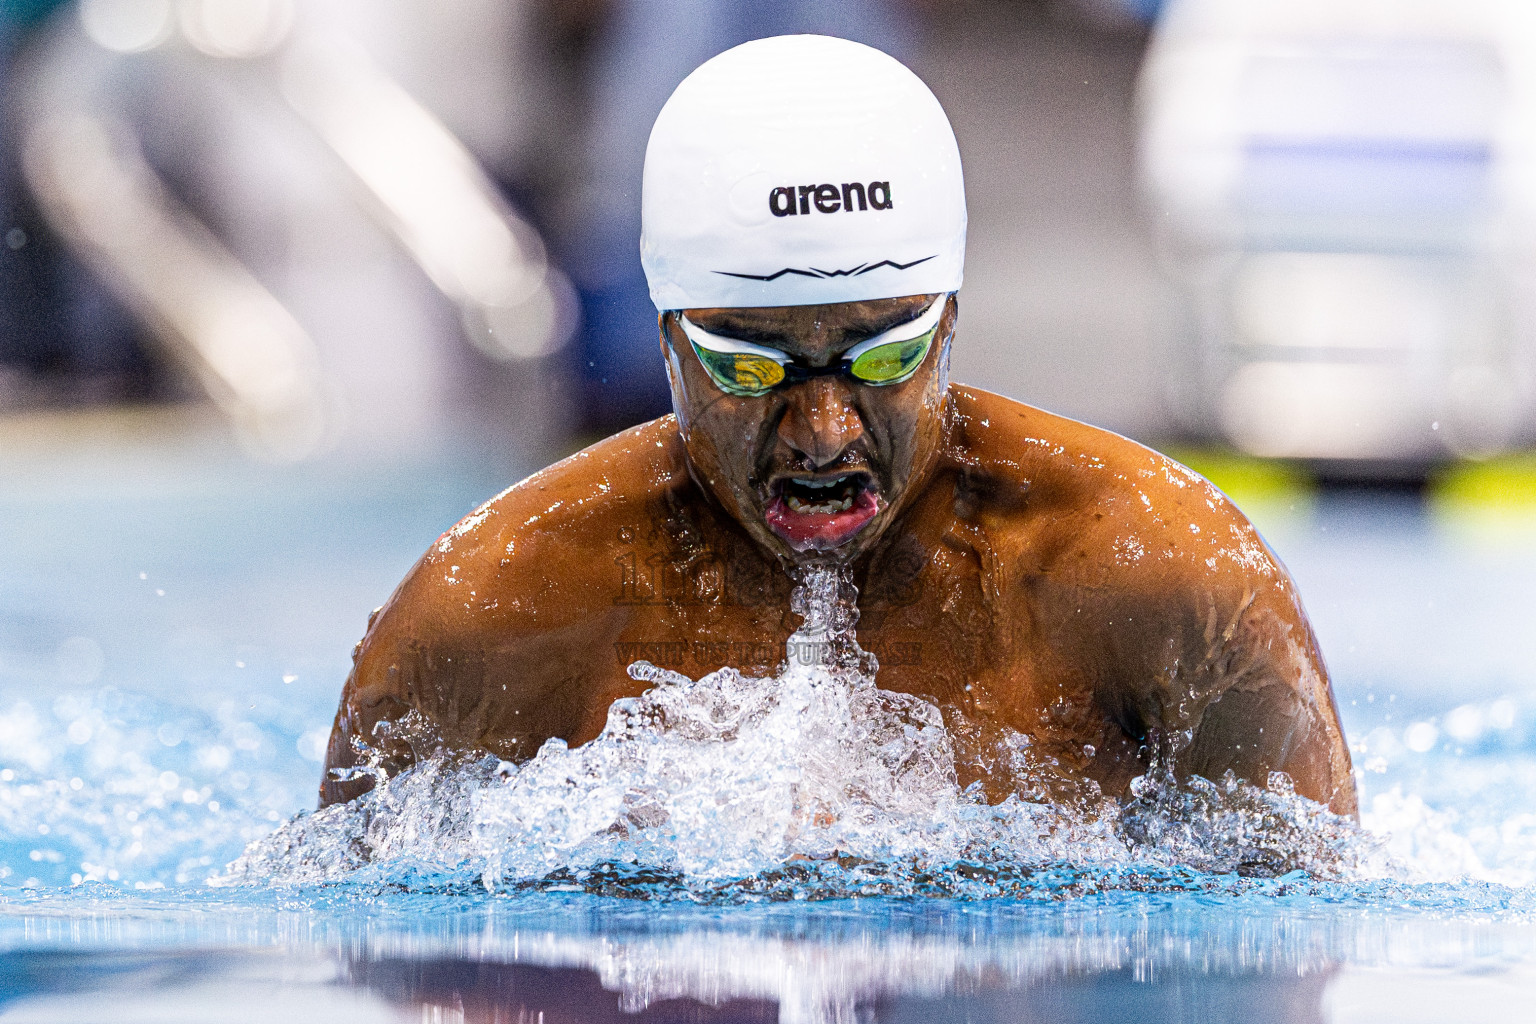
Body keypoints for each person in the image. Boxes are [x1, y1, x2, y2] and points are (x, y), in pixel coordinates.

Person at [320, 35, 1356, 816]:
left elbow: (1304, 942)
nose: (821, 429)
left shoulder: (1168, 581)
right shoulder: (492, 616)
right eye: (751, 366)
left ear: (950, 319)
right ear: (667, 336)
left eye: (883, 357)